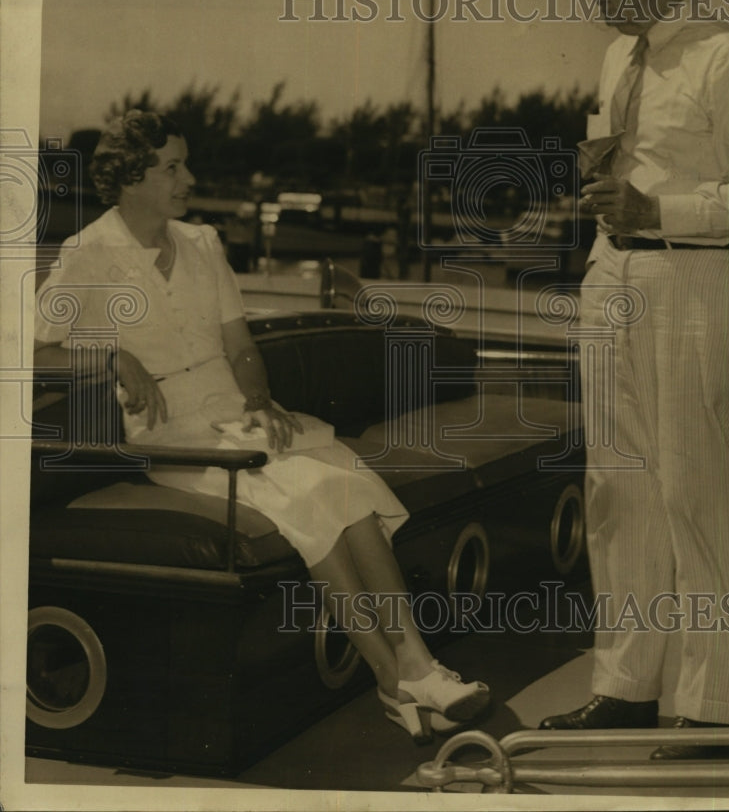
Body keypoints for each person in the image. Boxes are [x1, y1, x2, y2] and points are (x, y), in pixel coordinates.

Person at [33, 109, 490, 743]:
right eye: (173, 167)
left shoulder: (202, 243)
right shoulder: (88, 252)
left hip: (237, 415)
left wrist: (258, 397)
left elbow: (241, 345)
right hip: (175, 437)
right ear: (132, 177)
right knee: (311, 497)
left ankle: (415, 665)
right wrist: (108, 354)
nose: (190, 178)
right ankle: (393, 677)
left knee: (348, 486)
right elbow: (31, 346)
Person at [536, 0, 729, 758]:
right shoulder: (619, 57)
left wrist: (658, 208)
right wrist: (611, 192)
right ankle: (624, 689)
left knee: (693, 491)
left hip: (697, 282)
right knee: (618, 493)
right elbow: (624, 163)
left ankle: (716, 707)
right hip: (613, 275)